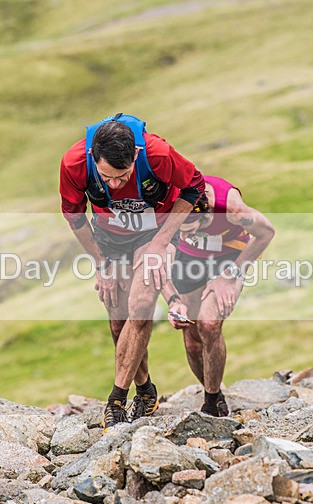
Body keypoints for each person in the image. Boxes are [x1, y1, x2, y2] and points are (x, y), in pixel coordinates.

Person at [60, 113, 205, 430]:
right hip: (109, 239)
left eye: (123, 176)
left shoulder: (158, 154)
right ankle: (145, 389)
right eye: (106, 177)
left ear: (136, 156)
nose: (114, 184)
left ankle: (116, 400)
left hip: (156, 234)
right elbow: (74, 216)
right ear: (92, 157)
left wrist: (161, 242)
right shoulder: (73, 162)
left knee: (141, 308)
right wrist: (102, 264)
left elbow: (195, 187)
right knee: (118, 323)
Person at [162, 175, 275, 416]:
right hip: (188, 259)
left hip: (228, 255)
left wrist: (231, 274)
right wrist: (173, 301)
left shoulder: (230, 208)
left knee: (209, 324)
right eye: (181, 230)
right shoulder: (167, 207)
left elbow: (266, 233)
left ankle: (212, 403)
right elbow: (156, 260)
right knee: (191, 336)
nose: (187, 233)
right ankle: (214, 391)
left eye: (192, 228)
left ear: (206, 212)